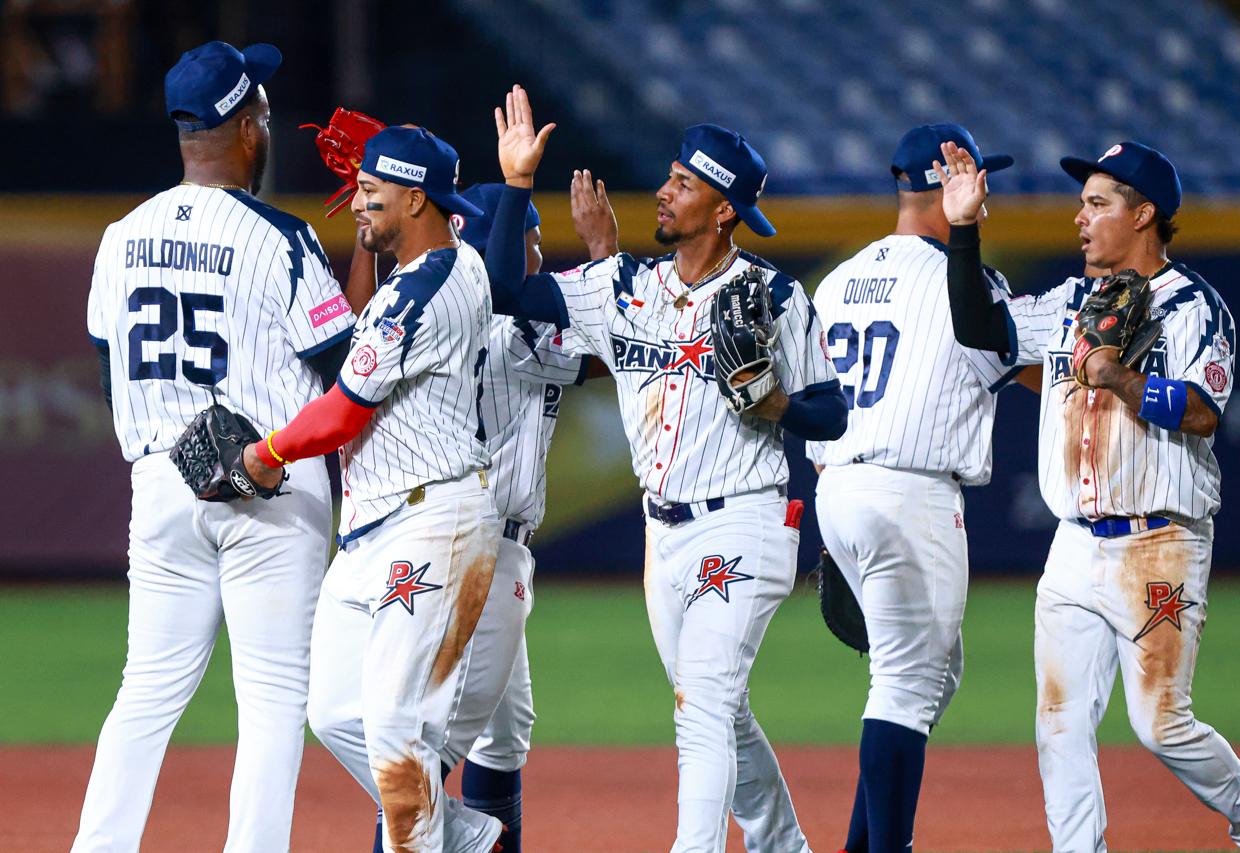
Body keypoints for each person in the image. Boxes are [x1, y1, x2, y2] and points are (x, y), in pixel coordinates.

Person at [484, 85, 845, 853]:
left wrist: (777, 404)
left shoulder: (773, 296)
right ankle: (784, 843)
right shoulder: (626, 287)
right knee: (720, 708)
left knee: (704, 703)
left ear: (723, 211)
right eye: (672, 174)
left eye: (686, 182)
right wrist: (518, 184)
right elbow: (510, 289)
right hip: (664, 533)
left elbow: (831, 413)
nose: (665, 188)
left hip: (746, 517)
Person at [938, 138, 1240, 852]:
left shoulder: (1193, 305)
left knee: (1162, 723)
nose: (1079, 219)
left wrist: (1117, 376)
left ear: (1144, 213)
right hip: (1072, 543)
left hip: (1161, 542)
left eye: (1097, 204)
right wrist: (963, 230)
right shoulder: (1072, 301)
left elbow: (1201, 411)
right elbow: (980, 327)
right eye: (1082, 203)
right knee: (1058, 720)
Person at [75, 41, 356, 852]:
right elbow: (348, 374)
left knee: (147, 690)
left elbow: (107, 369)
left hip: (163, 483)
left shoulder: (120, 236)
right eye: (263, 113)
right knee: (271, 698)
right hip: (271, 482)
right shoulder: (282, 238)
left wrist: (169, 455)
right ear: (244, 127)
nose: (269, 126)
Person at [242, 125, 503, 852]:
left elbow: (340, 411)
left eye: (370, 192)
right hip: (375, 526)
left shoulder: (418, 295)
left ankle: (434, 839)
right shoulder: (458, 263)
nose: (355, 202)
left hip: (431, 518)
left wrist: (266, 451)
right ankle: (459, 833)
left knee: (393, 724)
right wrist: (378, 191)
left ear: (415, 198)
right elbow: (365, 331)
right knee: (332, 712)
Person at [362, 177, 616, 853]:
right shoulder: (508, 326)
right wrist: (603, 255)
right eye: (530, 239)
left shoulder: (447, 313)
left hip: (449, 543)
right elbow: (612, 350)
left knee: (503, 730)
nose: (538, 252)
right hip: (475, 554)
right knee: (425, 749)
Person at [806, 124, 1026, 853]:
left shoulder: (837, 279)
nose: (984, 190)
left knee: (935, 672)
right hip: (911, 493)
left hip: (839, 484)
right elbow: (994, 347)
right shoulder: (966, 282)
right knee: (904, 684)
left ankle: (864, 840)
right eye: (975, 175)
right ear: (944, 180)